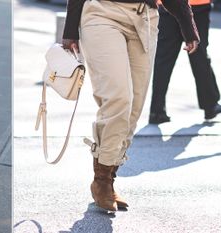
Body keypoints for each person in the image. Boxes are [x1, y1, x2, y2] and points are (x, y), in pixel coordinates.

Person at [62, 0, 199, 212]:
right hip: (102, 13)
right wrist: (70, 29)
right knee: (118, 99)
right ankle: (102, 181)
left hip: (145, 18)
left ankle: (109, 175)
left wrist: (188, 26)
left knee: (134, 107)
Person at [149, 0, 221, 124]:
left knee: (163, 59)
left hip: (167, 6)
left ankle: (156, 110)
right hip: (196, 5)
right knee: (199, 56)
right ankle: (210, 105)